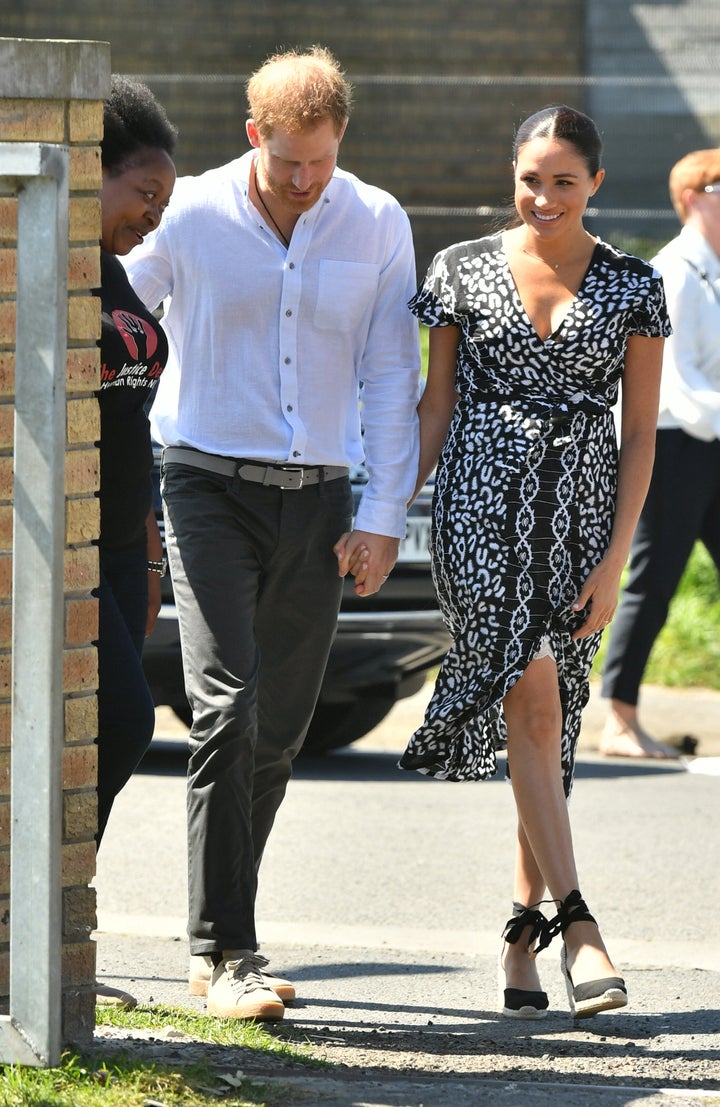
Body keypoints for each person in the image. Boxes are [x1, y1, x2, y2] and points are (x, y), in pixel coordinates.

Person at [123, 46, 421, 1020]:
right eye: (287, 159)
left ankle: (222, 940)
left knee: (281, 731)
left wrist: (382, 518)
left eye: (321, 162)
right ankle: (228, 950)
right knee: (227, 705)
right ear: (255, 133)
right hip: (204, 481)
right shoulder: (192, 212)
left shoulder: (376, 220)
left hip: (323, 497)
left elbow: (389, 373)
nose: (303, 180)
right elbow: (114, 308)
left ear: (342, 142)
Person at [396, 105, 670, 1019]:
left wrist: (617, 553)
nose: (543, 195)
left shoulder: (634, 286)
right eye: (529, 177)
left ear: (594, 182)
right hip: (480, 515)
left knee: (545, 730)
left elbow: (640, 438)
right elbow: (433, 409)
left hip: (584, 528)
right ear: (510, 176)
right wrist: (382, 511)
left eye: (563, 179)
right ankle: (582, 928)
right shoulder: (458, 270)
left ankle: (521, 937)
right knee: (536, 696)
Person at [96, 75, 177, 1005]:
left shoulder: (117, 268)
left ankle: (41, 930)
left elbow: (135, 427)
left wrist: (150, 549)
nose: (151, 217)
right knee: (122, 725)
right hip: (64, 553)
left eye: (162, 201)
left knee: (101, 733)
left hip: (123, 548)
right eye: (141, 195)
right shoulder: (50, 258)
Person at [600, 149, 720, 759]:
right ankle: (619, 720)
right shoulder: (672, 270)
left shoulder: (715, 271)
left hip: (712, 444)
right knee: (653, 581)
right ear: (692, 197)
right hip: (673, 446)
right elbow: (675, 380)